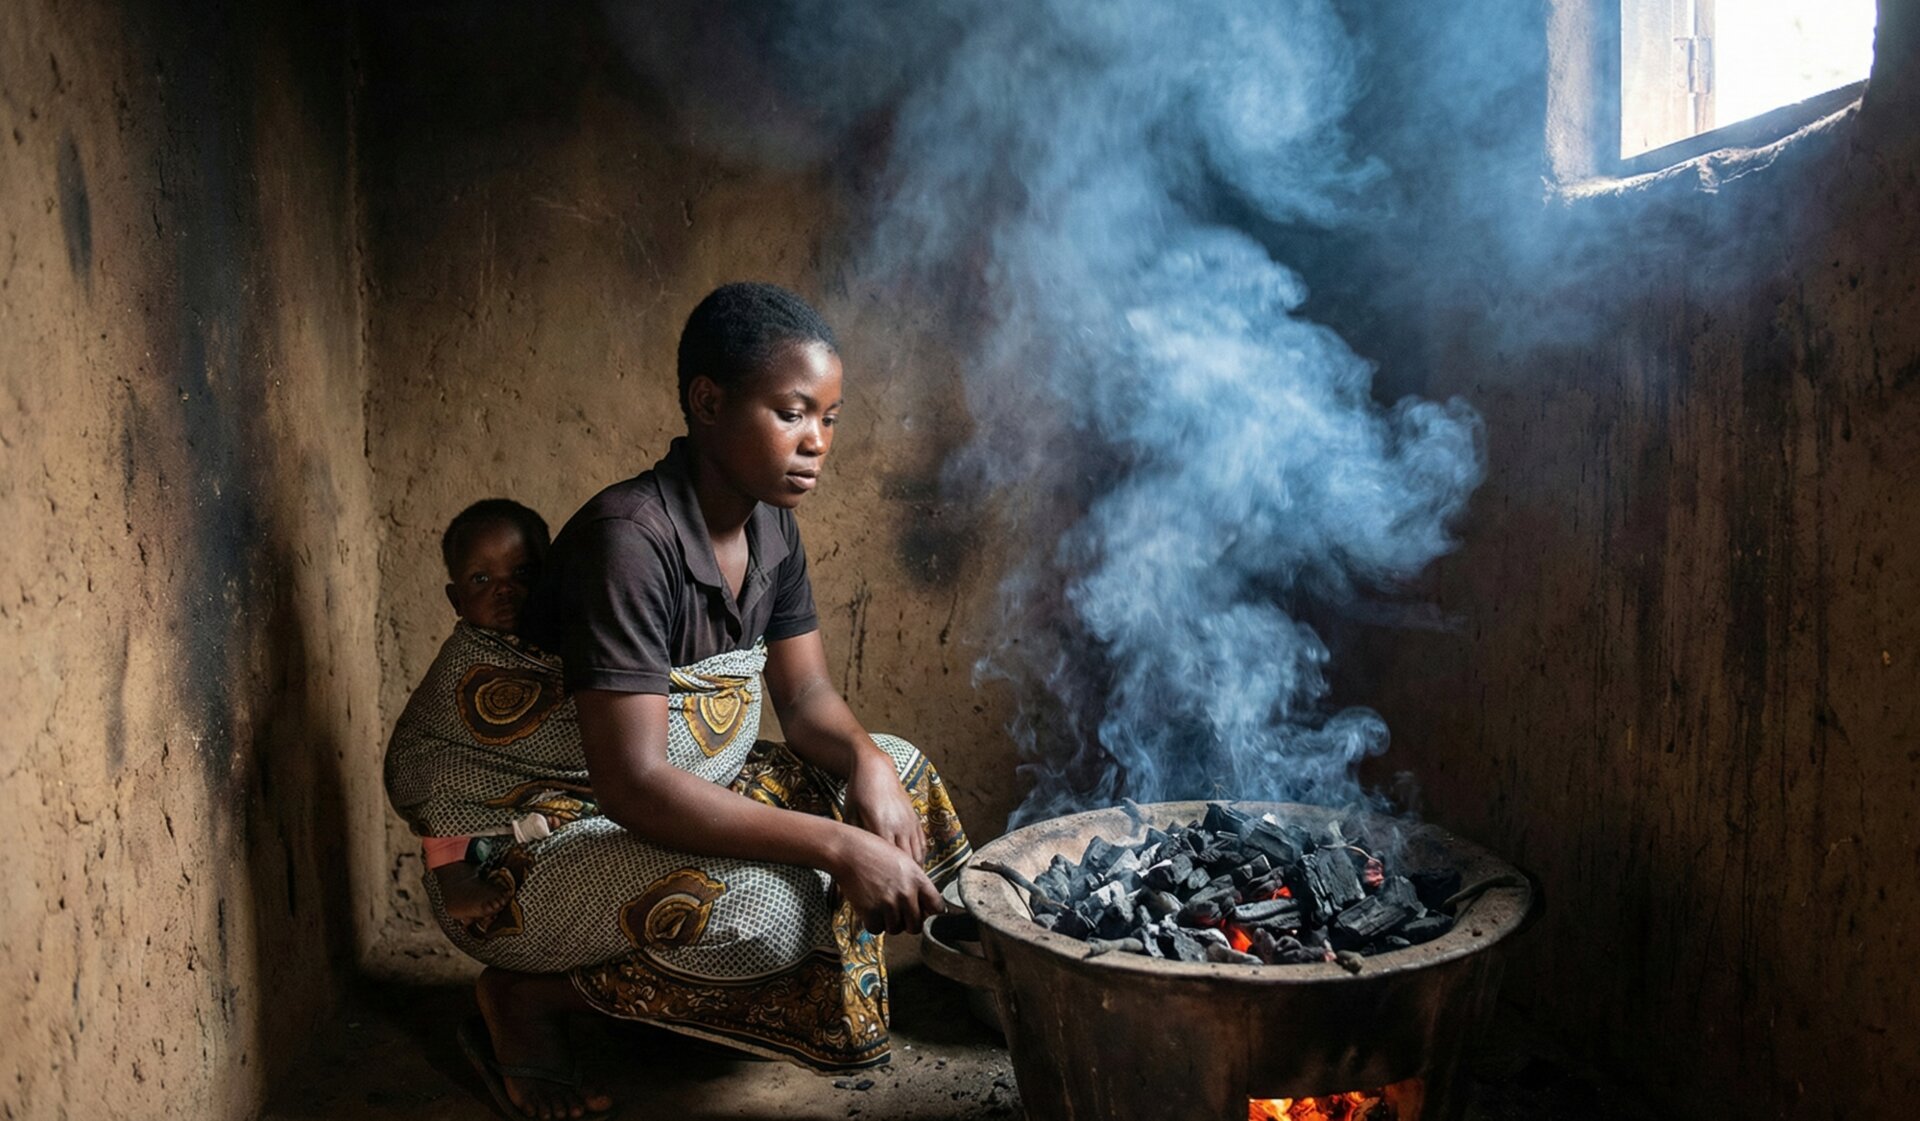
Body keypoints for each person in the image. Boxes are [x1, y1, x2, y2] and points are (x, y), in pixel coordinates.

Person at [385, 283, 970, 1121]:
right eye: (793, 412)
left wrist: (868, 764)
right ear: (708, 402)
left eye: (830, 419)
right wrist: (839, 845)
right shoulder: (629, 542)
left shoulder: (772, 527)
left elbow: (804, 698)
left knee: (904, 770)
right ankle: (527, 999)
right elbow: (633, 785)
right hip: (536, 850)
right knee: (771, 914)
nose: (817, 442)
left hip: (657, 809)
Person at [392, 500, 559, 923]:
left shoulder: (569, 639)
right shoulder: (463, 663)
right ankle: (452, 876)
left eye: (523, 573)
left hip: (543, 805)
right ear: (456, 599)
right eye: (481, 578)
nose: (504, 590)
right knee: (436, 776)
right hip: (470, 811)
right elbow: (418, 748)